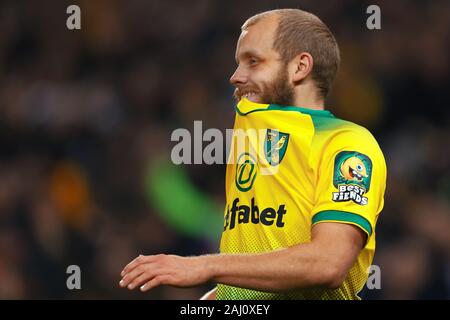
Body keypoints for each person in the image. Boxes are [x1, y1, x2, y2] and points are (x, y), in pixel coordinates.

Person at [119, 8, 387, 300]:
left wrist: (206, 266)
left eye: (253, 61)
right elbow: (246, 287)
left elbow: (328, 263)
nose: (235, 77)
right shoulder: (249, 147)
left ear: (300, 67)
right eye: (238, 63)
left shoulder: (346, 143)